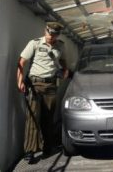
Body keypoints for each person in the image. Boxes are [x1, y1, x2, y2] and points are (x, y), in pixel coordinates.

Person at [17, 22, 69, 163]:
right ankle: (30, 151)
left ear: (58, 35)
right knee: (33, 117)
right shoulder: (34, 43)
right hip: (34, 85)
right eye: (49, 33)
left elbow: (64, 62)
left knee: (48, 118)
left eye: (54, 35)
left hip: (51, 86)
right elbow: (21, 62)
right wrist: (20, 81)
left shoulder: (61, 46)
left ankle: (48, 146)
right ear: (45, 30)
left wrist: (65, 71)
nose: (51, 37)